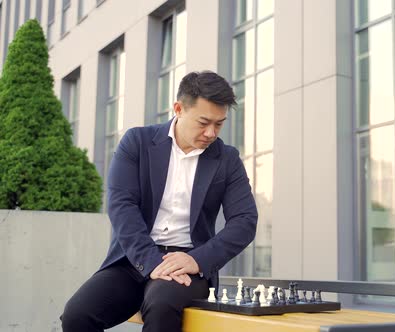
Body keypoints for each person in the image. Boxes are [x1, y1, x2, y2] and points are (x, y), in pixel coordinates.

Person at [61, 71, 258, 331]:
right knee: (77, 315)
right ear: (178, 109)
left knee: (161, 306)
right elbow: (122, 206)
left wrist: (197, 260)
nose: (211, 133)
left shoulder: (227, 159)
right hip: (134, 260)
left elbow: (245, 220)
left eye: (219, 124)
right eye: (203, 122)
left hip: (188, 266)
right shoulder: (136, 143)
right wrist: (153, 263)